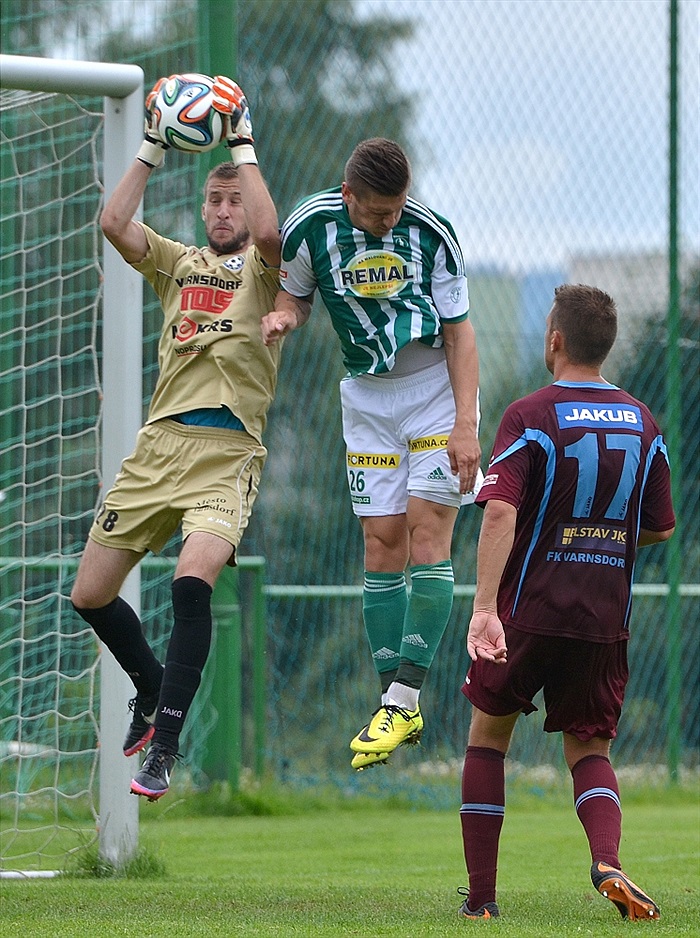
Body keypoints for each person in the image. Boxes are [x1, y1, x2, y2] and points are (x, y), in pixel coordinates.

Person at [70, 74, 282, 801]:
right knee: (90, 594)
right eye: (215, 199)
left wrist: (241, 143)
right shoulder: (178, 263)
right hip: (159, 447)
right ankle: (151, 684)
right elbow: (114, 221)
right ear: (200, 208)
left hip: (227, 455)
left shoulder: (261, 268)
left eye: (234, 199)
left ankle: (165, 743)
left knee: (191, 585)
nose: (225, 210)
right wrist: (155, 142)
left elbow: (271, 232)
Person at [261, 138, 483, 771]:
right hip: (365, 399)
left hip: (435, 394)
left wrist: (466, 423)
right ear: (348, 193)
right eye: (379, 211)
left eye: (398, 208)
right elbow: (295, 296)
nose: (390, 220)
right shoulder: (309, 228)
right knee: (380, 542)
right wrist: (284, 318)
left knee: (425, 537)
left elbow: (461, 333)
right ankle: (397, 703)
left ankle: (404, 695)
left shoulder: (434, 236)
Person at [457, 284, 675, 920]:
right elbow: (660, 525)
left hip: (530, 608)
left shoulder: (530, 415)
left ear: (555, 339)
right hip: (605, 616)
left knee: (488, 737)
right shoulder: (644, 421)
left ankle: (482, 902)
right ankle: (607, 859)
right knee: (589, 750)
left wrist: (485, 606)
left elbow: (500, 509)